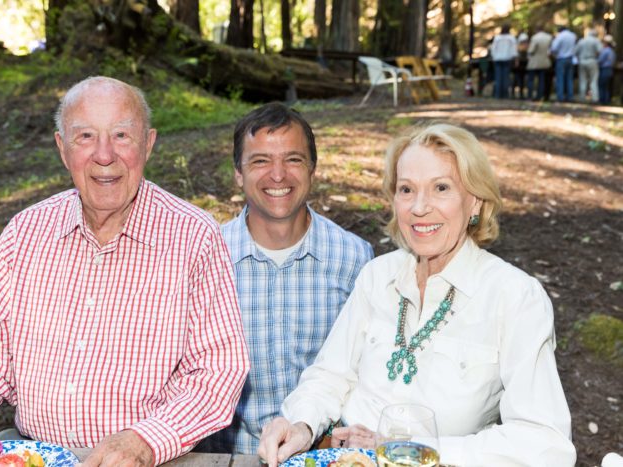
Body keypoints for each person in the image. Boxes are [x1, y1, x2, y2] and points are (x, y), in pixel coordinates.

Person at [0, 76, 250, 466]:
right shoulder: (25, 233)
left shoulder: (194, 237)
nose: (104, 155)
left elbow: (217, 372)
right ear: (63, 149)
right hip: (32, 457)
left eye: (122, 136)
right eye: (85, 137)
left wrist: (145, 441)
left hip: (148, 460)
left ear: (148, 144)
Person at [258, 123, 576, 467]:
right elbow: (330, 375)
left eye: (441, 188)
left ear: (476, 202)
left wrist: (410, 449)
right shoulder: (377, 276)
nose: (419, 207)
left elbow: (546, 442)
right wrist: (302, 424)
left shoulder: (514, 297)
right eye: (407, 190)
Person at [198, 103, 374, 454]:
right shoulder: (207, 258)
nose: (277, 175)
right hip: (230, 457)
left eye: (293, 159)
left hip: (324, 454)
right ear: (238, 173)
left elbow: (364, 370)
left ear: (313, 169)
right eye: (260, 161)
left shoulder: (355, 258)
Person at [574, 29, 603, 102]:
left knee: (582, 80)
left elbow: (575, 51)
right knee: (594, 80)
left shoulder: (581, 41)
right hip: (592, 60)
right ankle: (595, 98)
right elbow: (600, 51)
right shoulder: (596, 41)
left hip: (582, 61)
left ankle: (582, 98)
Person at [490, 24, 517, 99]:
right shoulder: (511, 38)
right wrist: (515, 58)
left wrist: (493, 57)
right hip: (507, 59)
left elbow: (493, 49)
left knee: (498, 77)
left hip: (498, 59)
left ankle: (498, 94)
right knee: (505, 78)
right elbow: (513, 50)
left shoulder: (497, 38)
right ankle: (505, 95)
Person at [551, 25, 577, 102]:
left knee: (560, 78)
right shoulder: (573, 35)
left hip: (561, 59)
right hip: (570, 59)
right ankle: (570, 96)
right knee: (569, 79)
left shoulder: (560, 36)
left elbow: (554, 48)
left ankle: (560, 96)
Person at [527, 26, 554, 100]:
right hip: (544, 61)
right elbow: (551, 49)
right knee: (541, 80)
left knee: (531, 80)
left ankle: (530, 95)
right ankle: (540, 95)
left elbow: (531, 50)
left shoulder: (535, 38)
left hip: (534, 61)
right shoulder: (549, 37)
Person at [598, 35, 617, 105]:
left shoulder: (605, 51)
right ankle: (607, 100)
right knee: (606, 86)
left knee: (602, 85)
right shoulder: (612, 51)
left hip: (605, 69)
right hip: (610, 70)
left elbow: (600, 60)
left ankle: (602, 100)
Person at [512, 32, 529, 99]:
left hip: (524, 65)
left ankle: (521, 94)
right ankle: (513, 93)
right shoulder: (517, 47)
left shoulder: (527, 47)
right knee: (516, 79)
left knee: (522, 80)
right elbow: (516, 56)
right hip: (518, 66)